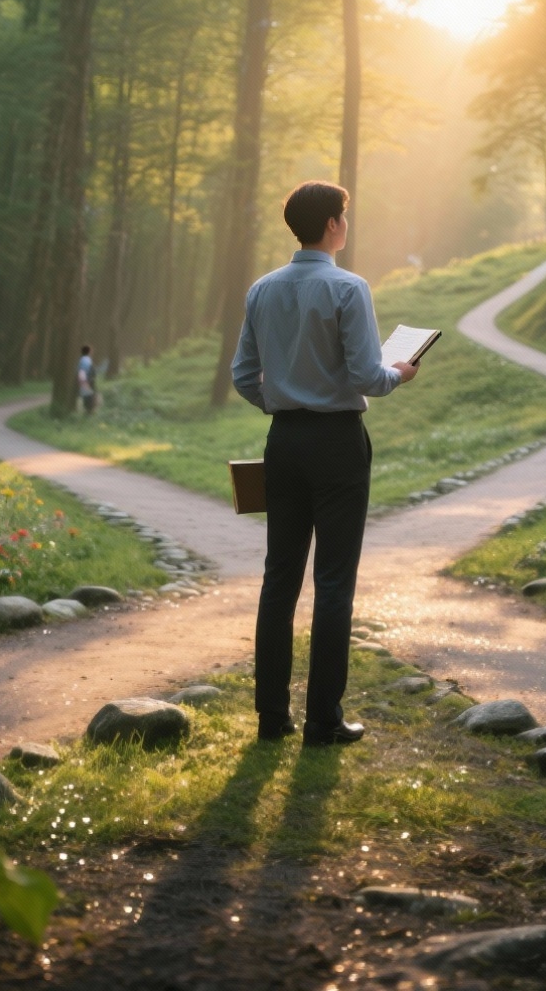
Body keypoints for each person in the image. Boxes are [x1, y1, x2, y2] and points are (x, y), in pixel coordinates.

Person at [231, 181, 418, 746]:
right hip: (337, 445)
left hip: (283, 442)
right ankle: (322, 721)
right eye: (344, 216)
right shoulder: (348, 287)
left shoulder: (261, 289)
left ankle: (271, 719)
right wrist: (399, 374)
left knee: (278, 579)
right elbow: (367, 376)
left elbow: (243, 375)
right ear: (334, 225)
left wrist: (286, 403)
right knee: (333, 582)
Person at [77, 344, 97, 415]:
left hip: (87, 381)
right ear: (89, 351)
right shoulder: (85, 360)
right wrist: (85, 383)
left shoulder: (83, 360)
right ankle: (88, 414)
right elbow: (82, 372)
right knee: (89, 399)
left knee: (89, 398)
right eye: (91, 350)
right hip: (87, 382)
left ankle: (88, 413)